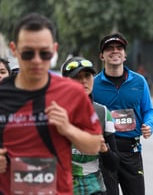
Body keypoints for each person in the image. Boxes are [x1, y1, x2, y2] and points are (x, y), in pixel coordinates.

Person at [0, 13, 102, 194]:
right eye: (28, 53)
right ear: (14, 50)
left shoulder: (72, 92)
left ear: (54, 50)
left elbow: (94, 145)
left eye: (44, 53)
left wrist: (68, 129)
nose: (37, 60)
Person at [92, 32, 153, 195]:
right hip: (105, 151)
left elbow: (148, 110)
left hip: (131, 152)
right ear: (101, 56)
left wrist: (149, 124)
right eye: (109, 49)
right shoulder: (94, 84)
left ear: (125, 55)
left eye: (119, 48)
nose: (115, 51)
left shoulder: (139, 81)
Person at [61, 56, 120, 195]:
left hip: (94, 188)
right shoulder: (54, 111)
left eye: (87, 75)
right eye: (77, 76)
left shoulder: (103, 113)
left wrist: (104, 149)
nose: (83, 81)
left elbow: (114, 164)